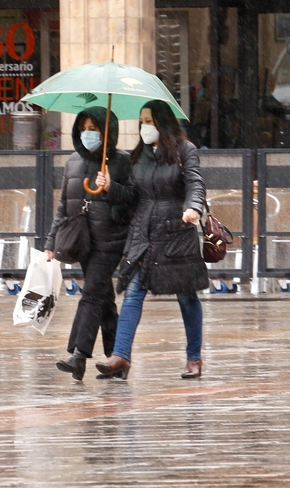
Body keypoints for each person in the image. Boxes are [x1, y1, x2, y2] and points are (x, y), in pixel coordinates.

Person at [94, 99, 210, 380]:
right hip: (143, 234)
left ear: (163, 123)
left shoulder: (185, 150)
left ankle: (194, 358)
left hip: (175, 233)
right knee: (133, 292)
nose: (145, 127)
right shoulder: (139, 156)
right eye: (142, 122)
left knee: (186, 296)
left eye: (150, 121)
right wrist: (111, 188)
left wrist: (193, 206)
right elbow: (135, 196)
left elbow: (195, 182)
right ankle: (121, 356)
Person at [45, 107, 133, 381]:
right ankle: (118, 358)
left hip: (110, 240)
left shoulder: (122, 162)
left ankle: (78, 356)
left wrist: (111, 187)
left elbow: (134, 198)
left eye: (93, 128)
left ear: (107, 132)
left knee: (91, 295)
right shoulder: (72, 163)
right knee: (104, 299)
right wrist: (51, 242)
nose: (87, 133)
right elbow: (63, 206)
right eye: (83, 128)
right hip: (82, 240)